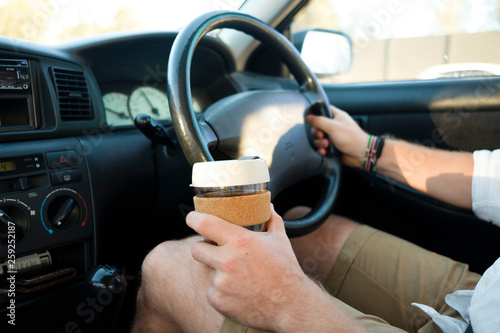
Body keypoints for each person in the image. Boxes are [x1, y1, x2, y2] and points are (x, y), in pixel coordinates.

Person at [131, 106, 500, 333]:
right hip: (478, 303)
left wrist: (286, 299)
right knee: (306, 227)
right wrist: (368, 150)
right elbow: (491, 176)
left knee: (166, 267)